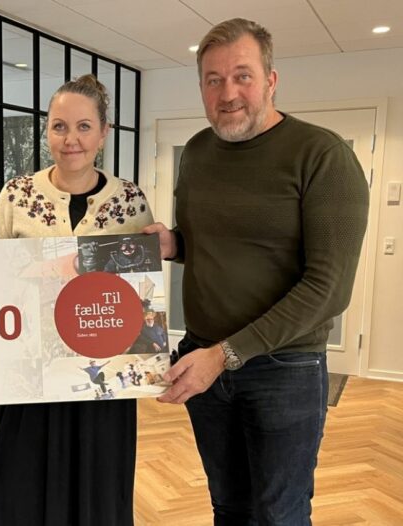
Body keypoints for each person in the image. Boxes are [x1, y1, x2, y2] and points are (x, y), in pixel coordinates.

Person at [145, 18, 369, 525]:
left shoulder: (323, 156)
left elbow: (329, 288)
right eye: (213, 79)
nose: (228, 93)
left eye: (242, 76)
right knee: (228, 507)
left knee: (279, 515)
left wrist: (225, 355)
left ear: (271, 80)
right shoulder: (198, 152)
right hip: (203, 360)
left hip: (283, 370)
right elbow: (213, 242)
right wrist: (173, 244)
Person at [0, 74, 154, 526]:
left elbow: (141, 294)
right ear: (47, 131)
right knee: (21, 494)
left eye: (83, 127)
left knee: (95, 498)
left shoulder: (130, 200)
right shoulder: (17, 195)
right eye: (59, 126)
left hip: (102, 382)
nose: (70, 139)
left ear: (103, 133)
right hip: (27, 376)